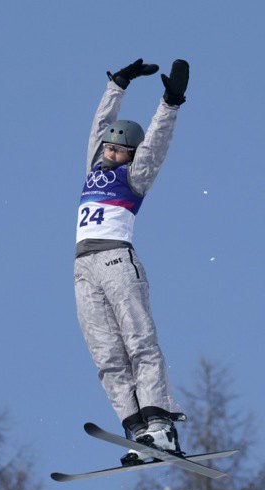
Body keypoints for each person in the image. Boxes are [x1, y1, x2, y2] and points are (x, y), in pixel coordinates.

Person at [73, 58, 190, 466]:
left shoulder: (134, 176)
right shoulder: (94, 166)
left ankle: (159, 422)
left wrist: (170, 103)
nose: (111, 153)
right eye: (109, 146)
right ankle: (136, 427)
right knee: (106, 354)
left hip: (117, 262)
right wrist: (118, 84)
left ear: (130, 155)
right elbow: (99, 123)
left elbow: (156, 144)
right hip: (83, 270)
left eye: (120, 150)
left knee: (139, 342)